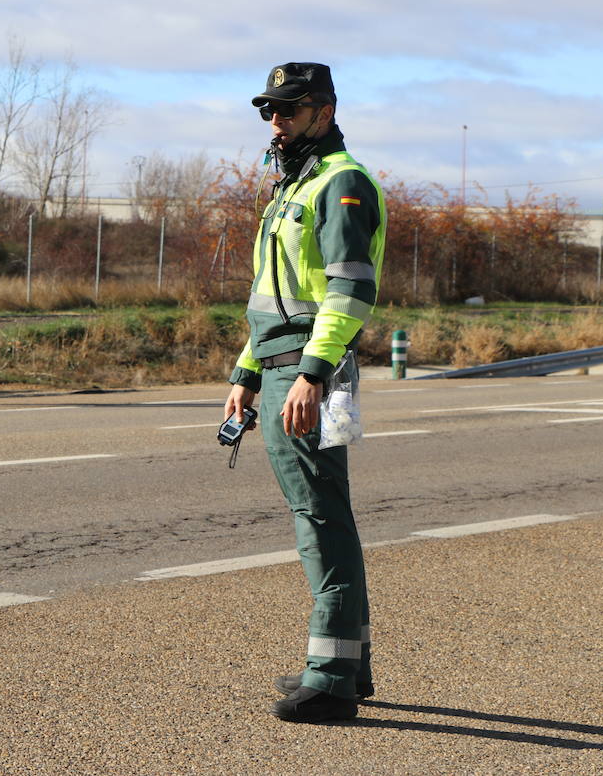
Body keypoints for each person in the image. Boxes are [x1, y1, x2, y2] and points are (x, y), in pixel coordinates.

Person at [222, 62, 387, 724]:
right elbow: (273, 298)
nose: (276, 121)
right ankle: (343, 664)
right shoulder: (295, 185)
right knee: (319, 516)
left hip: (309, 373)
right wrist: (246, 373)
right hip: (282, 367)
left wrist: (313, 374)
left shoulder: (341, 183)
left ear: (323, 110)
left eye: (288, 110)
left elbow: (349, 290)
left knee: (321, 520)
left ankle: (331, 682)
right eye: (270, 111)